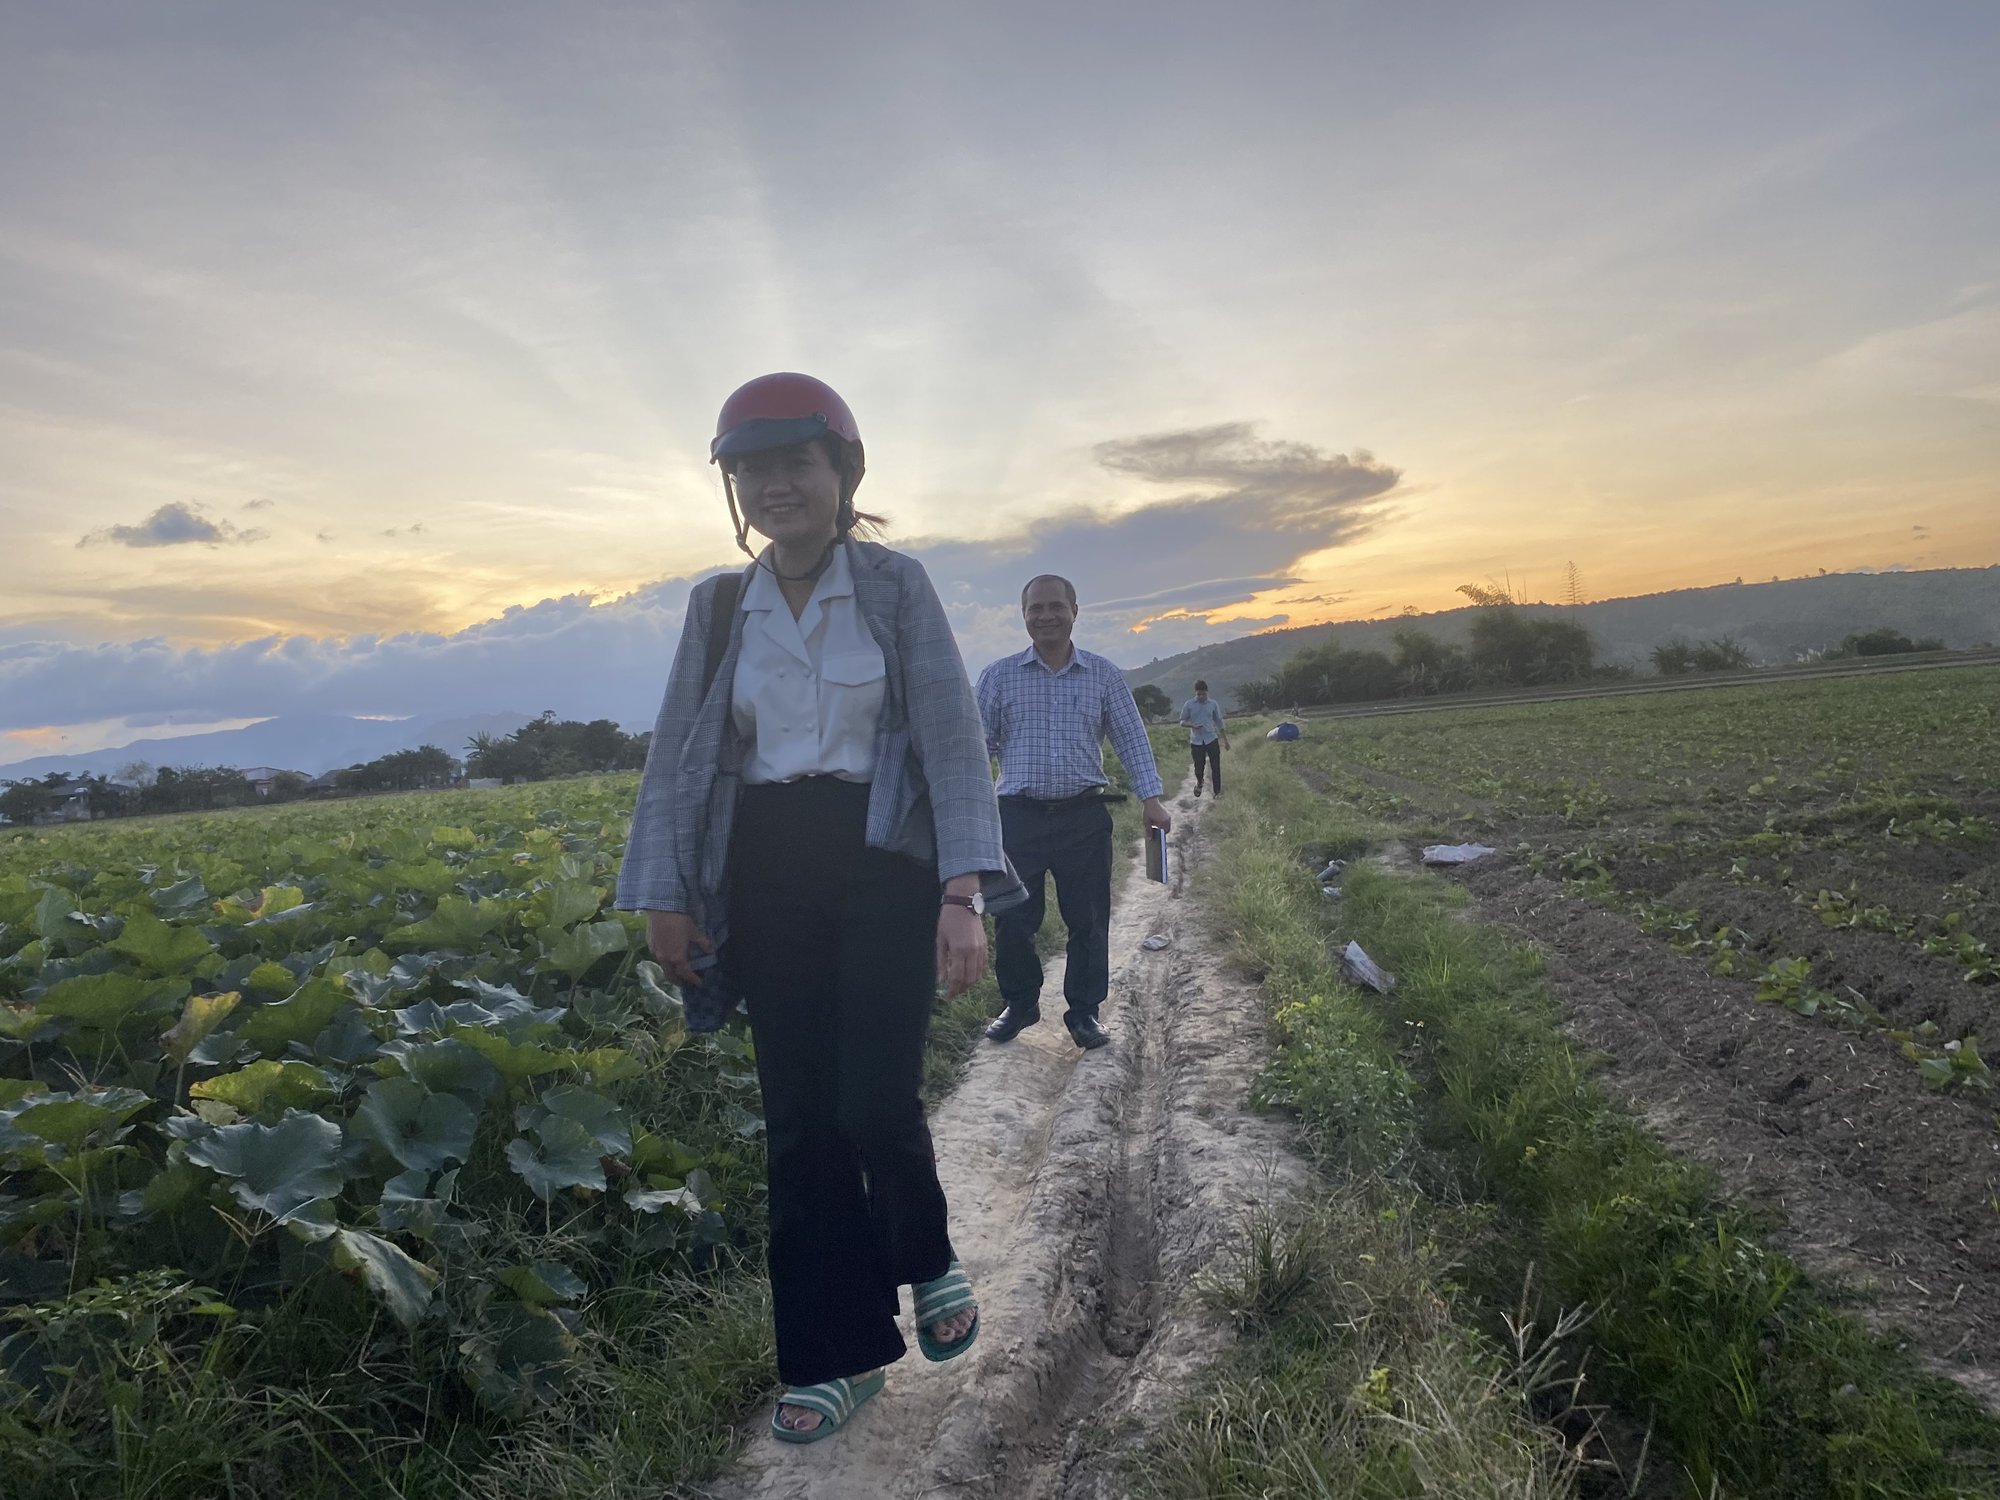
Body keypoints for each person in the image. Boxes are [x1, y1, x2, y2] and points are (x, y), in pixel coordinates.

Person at [615, 373, 1024, 1443]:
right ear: (733, 490)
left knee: (872, 1100)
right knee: (796, 1122)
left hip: (881, 857)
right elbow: (677, 758)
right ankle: (833, 1356)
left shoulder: (892, 589)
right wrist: (664, 894)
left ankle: (923, 1251)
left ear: (842, 475)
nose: (773, 484)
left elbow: (947, 738)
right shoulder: (716, 607)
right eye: (751, 469)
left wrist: (961, 889)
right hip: (765, 867)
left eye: (796, 463)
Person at [975, 575, 1172, 1051]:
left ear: (1074, 611)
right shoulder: (999, 676)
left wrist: (1152, 798)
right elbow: (977, 746)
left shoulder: (1102, 675)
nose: (1046, 616)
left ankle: (1084, 1012)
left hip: (1083, 817)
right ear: (1023, 616)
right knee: (1015, 918)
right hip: (1017, 816)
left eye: (1055, 606)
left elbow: (1130, 738)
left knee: (1087, 918)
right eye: (1035, 608)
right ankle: (1019, 1005)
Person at [1178, 679, 1230, 798]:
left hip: (1211, 739)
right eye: (1199, 694)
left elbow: (1219, 722)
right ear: (1195, 693)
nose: (1201, 696)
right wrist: (1192, 725)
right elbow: (1182, 722)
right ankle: (1200, 782)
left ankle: (1217, 792)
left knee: (1215, 766)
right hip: (1196, 741)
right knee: (1199, 767)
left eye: (1203, 694)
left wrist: (1225, 741)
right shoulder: (1189, 704)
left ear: (1207, 692)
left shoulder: (1213, 704)